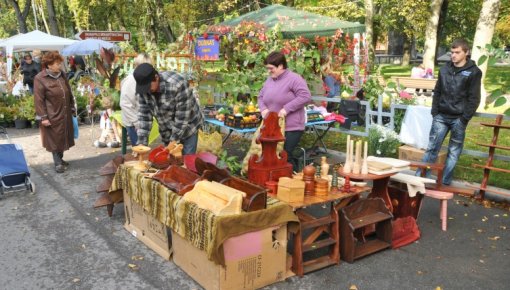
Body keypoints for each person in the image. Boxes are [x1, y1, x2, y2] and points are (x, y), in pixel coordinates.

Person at [417, 39, 482, 185]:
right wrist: (435, 112)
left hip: (459, 119)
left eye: (457, 52)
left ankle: (444, 183)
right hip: (441, 116)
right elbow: (438, 91)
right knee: (432, 149)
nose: (453, 55)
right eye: (452, 52)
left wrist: (464, 119)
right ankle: (420, 178)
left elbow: (474, 98)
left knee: (453, 153)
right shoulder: (445, 69)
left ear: (466, 52)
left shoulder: (474, 72)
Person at [258, 51, 312, 171]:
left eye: (271, 68)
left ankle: (295, 181)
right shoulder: (269, 80)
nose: (269, 71)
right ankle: (279, 182)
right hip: (273, 127)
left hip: (291, 127)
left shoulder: (294, 79)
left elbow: (305, 96)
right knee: (274, 156)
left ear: (281, 66)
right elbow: (260, 97)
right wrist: (263, 109)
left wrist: (286, 109)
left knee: (285, 155)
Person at [133, 63, 203, 155]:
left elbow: (182, 118)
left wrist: (173, 142)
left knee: (186, 161)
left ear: (156, 77)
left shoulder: (178, 84)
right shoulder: (143, 91)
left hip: (189, 127)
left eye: (148, 86)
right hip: (167, 129)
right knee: (170, 161)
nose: (146, 91)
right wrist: (142, 143)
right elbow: (144, 117)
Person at [34, 51, 76, 173]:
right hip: (52, 113)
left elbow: (68, 91)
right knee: (54, 138)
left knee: (63, 136)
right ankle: (57, 163)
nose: (60, 66)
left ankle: (60, 159)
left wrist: (72, 106)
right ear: (49, 65)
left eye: (60, 63)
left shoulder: (62, 74)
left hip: (65, 112)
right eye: (57, 64)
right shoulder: (40, 78)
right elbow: (39, 99)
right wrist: (44, 117)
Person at [120, 53, 152, 146]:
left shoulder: (144, 78)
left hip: (141, 120)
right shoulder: (131, 80)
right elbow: (125, 104)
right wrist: (136, 122)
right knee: (139, 149)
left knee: (143, 149)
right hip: (133, 122)